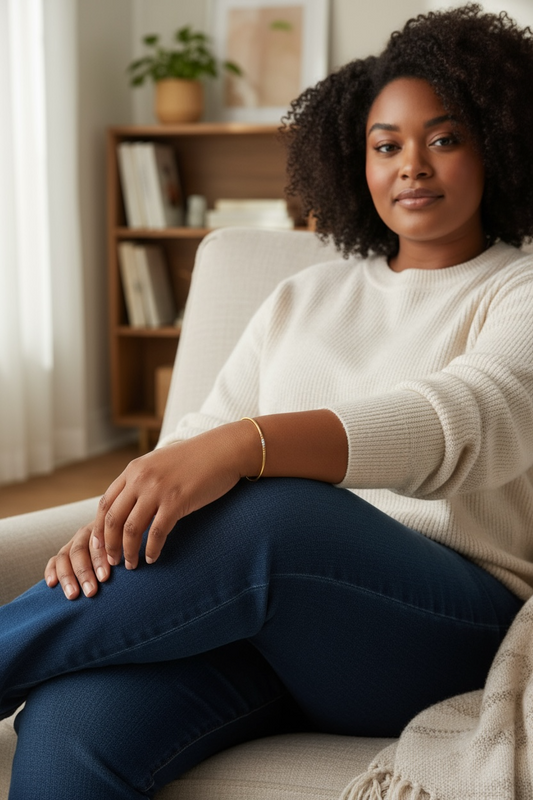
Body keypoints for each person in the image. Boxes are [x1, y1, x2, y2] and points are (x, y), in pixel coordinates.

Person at [3, 3, 533, 797]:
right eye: (385, 145)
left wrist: (242, 446)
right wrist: (110, 526)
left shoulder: (517, 286)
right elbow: (190, 443)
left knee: (273, 509)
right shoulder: (302, 295)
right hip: (265, 634)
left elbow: (461, 417)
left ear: (498, 146)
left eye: (444, 138)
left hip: (437, 629)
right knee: (72, 715)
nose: (411, 165)